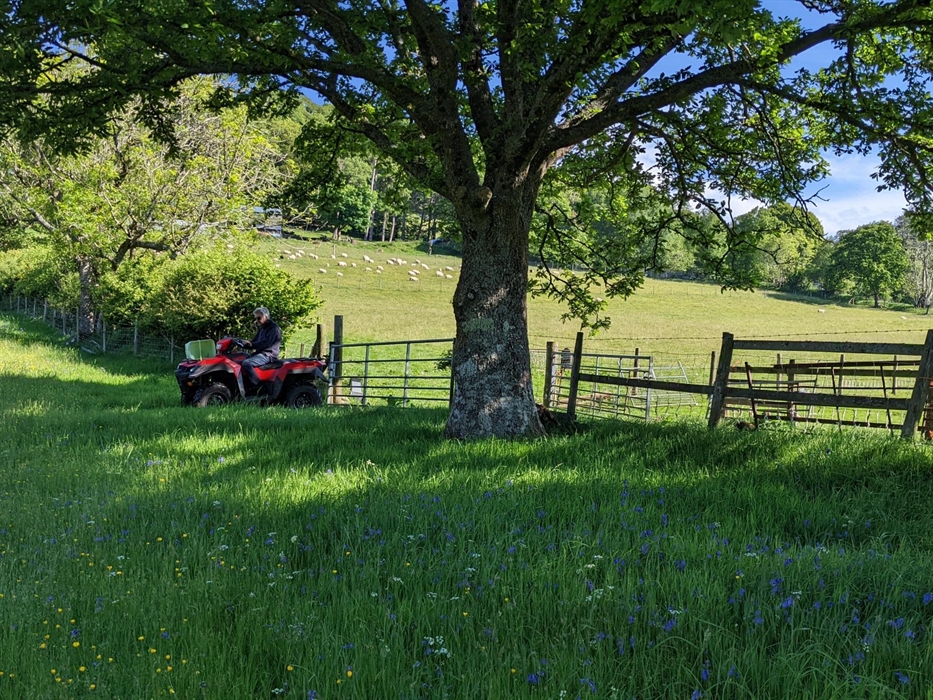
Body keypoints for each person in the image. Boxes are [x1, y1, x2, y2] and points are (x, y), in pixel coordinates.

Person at [241, 307, 282, 394]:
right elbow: (255, 341)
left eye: (258, 318)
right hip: (261, 353)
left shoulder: (273, 328)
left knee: (246, 363)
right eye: (256, 318)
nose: (257, 321)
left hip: (269, 355)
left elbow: (266, 343)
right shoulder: (262, 328)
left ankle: (258, 386)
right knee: (241, 358)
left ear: (265, 316)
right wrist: (245, 344)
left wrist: (252, 344)